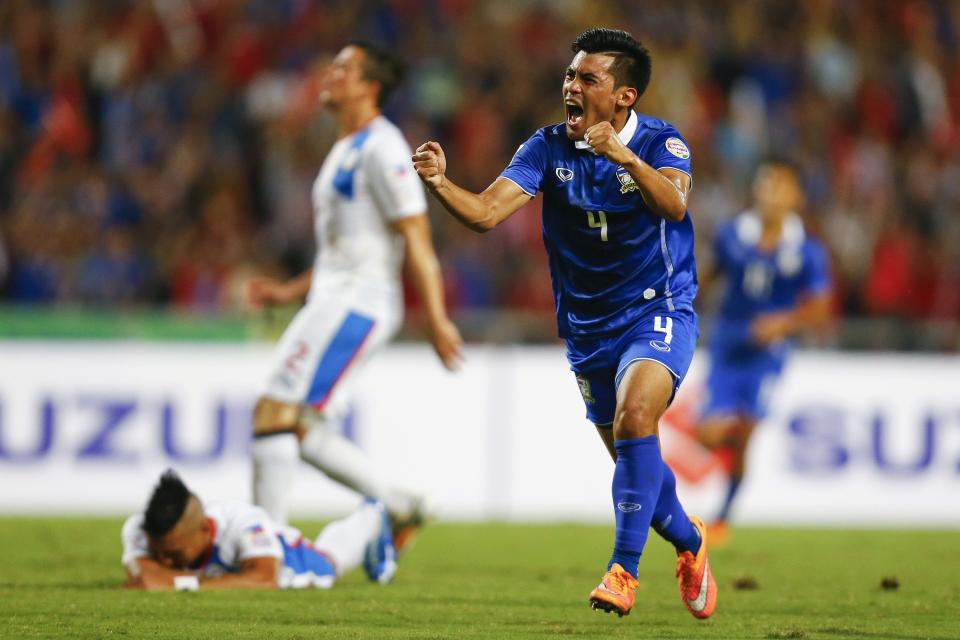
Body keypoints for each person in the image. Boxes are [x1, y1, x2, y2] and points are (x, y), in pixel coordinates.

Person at [413, 27, 716, 619]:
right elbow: (486, 212)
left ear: (624, 96)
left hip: (658, 309)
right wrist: (441, 182)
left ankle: (623, 574)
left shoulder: (663, 144)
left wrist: (622, 156)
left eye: (587, 78)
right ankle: (690, 540)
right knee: (640, 471)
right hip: (586, 329)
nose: (570, 87)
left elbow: (675, 205)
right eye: (569, 76)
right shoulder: (547, 148)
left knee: (636, 419)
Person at [247, 42, 463, 545]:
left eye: (344, 68)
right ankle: (400, 506)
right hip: (335, 295)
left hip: (359, 302)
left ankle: (265, 548)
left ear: (369, 87)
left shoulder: (385, 148)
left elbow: (415, 235)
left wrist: (435, 316)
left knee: (275, 411)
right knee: (302, 430)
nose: (331, 73)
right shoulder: (345, 147)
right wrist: (288, 290)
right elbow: (343, 251)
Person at [697, 158, 832, 544]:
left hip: (767, 355)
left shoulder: (807, 250)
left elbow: (819, 307)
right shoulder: (731, 235)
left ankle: (722, 517)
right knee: (709, 435)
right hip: (728, 343)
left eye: (779, 186)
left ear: (797, 197)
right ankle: (732, 447)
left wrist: (782, 323)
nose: (770, 193)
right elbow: (706, 277)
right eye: (764, 184)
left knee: (748, 431)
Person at [121, 470, 397, 590]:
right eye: (159, 553)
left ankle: (372, 514)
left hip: (292, 558)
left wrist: (181, 584)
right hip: (254, 556)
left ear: (205, 529)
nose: (165, 561)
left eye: (174, 552)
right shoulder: (138, 528)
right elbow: (146, 577)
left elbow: (265, 579)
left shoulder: (243, 523)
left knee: (330, 560)